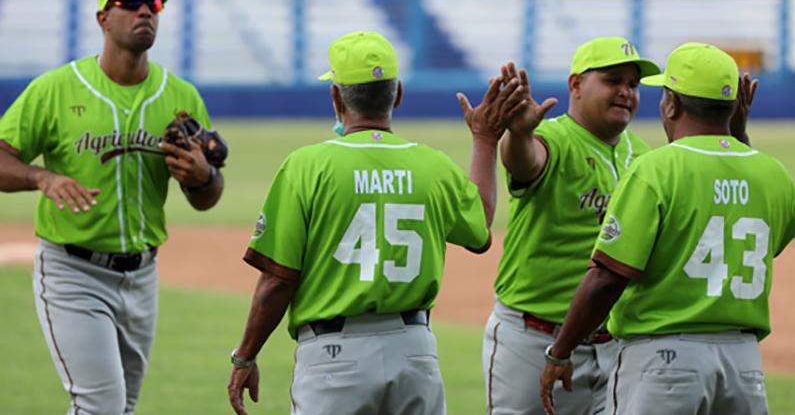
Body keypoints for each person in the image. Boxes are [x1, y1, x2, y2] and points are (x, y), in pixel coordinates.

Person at [226, 30, 524, 415]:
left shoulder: (306, 166)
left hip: (334, 357)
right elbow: (480, 230)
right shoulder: (432, 166)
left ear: (336, 97)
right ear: (398, 94)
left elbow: (278, 279)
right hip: (415, 353)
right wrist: (484, 139)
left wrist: (245, 357)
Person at [0, 0, 223, 414]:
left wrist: (203, 177)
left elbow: (207, 197)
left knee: (121, 407)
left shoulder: (179, 97)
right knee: (99, 405)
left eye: (153, 4)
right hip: (73, 272)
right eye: (131, 2)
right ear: (103, 18)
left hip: (143, 276)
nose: (145, 10)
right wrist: (42, 177)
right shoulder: (56, 90)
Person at [540, 42, 793, 415]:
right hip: (744, 365)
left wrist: (560, 351)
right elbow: (755, 243)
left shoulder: (655, 169)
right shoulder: (773, 174)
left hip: (663, 362)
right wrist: (738, 138)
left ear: (672, 104)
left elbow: (607, 278)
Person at [482, 36, 661, 415]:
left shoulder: (644, 157)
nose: (625, 92)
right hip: (532, 340)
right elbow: (526, 163)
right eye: (613, 80)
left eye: (633, 84)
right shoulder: (553, 139)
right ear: (576, 85)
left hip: (614, 346)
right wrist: (520, 133)